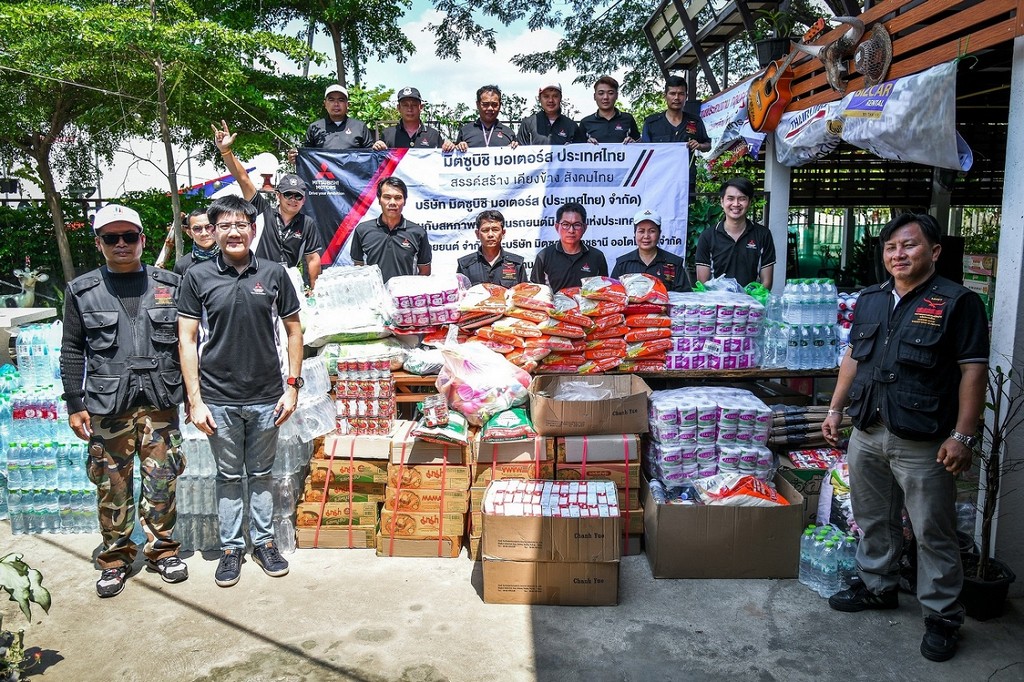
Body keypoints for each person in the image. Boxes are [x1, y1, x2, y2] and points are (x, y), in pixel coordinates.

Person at [822, 213, 989, 663]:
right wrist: (837, 408)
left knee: (932, 528)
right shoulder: (872, 299)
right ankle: (878, 586)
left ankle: (941, 615)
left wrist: (963, 436)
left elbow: (973, 370)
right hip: (869, 428)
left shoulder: (958, 302)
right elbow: (854, 357)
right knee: (872, 516)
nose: (899, 254)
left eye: (909, 245)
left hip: (923, 438)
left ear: (933, 252)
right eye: (892, 247)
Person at [60, 204, 188, 598]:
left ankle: (162, 551)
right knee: (112, 485)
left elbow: (189, 343)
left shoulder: (170, 284)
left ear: (142, 241)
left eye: (129, 237)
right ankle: (115, 559)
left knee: (162, 481)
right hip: (107, 406)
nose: (121, 244)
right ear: (99, 244)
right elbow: (71, 350)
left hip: (159, 402)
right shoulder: (82, 290)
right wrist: (74, 402)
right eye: (111, 238)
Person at [177, 195, 303, 588]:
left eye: (242, 224)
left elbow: (294, 331)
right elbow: (187, 338)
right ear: (212, 232)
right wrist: (195, 401)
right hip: (219, 397)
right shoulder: (197, 277)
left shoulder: (274, 272)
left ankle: (263, 542)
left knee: (263, 473)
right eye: (225, 225)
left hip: (268, 395)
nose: (234, 232)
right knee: (229, 476)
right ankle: (232, 548)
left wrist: (293, 387)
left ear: (253, 229)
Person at [215, 121, 324, 290]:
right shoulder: (262, 211)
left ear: (304, 200)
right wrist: (225, 151)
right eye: (288, 194)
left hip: (288, 282)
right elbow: (243, 179)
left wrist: (315, 290)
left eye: (298, 196)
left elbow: (313, 259)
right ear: (278, 195)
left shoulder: (307, 223)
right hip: (257, 278)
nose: (293, 199)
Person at [694, 177, 775, 289]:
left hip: (751, 303)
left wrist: (750, 300)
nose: (736, 204)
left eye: (742, 199)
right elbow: (703, 284)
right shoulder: (707, 236)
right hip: (718, 303)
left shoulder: (763, 235)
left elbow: (766, 282)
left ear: (750, 202)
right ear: (722, 202)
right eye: (730, 199)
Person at [350, 176, 432, 282]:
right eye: (387, 197)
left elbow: (425, 272)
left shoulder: (418, 233)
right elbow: (358, 269)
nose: (392, 202)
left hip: (404, 297)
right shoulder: (362, 230)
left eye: (398, 198)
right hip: (375, 297)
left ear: (405, 201)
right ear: (379, 200)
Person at [530, 202, 608, 292]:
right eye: (566, 224)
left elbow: (604, 292)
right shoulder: (544, 256)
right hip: (554, 306)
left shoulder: (597, 257)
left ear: (585, 228)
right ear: (557, 227)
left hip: (588, 306)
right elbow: (535, 293)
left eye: (577, 225)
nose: (571, 230)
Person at [611, 208, 691, 292]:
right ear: (635, 234)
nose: (646, 236)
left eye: (652, 231)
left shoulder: (674, 264)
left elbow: (684, 297)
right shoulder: (623, 264)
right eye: (641, 231)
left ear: (659, 233)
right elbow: (613, 295)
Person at [640, 75, 711, 151]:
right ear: (665, 96)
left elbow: (708, 145)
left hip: (687, 163)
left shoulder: (695, 121)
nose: (676, 98)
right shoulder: (651, 123)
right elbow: (643, 149)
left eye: (681, 94)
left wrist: (699, 146)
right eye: (672, 93)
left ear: (686, 96)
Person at [456, 210, 527, 286]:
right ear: (477, 234)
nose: (490, 235)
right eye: (485, 230)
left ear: (503, 233)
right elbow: (460, 294)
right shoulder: (465, 265)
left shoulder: (516, 263)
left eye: (495, 230)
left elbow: (524, 294)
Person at [444, 85, 518, 151]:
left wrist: (515, 149)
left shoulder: (509, 133)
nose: (490, 108)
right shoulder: (465, 131)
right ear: (477, 105)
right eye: (485, 104)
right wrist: (455, 147)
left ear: (500, 105)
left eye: (494, 105)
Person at [372, 87, 445, 149]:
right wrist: (377, 148)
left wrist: (449, 147)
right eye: (405, 105)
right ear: (398, 108)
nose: (410, 109)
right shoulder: (388, 134)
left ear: (421, 107)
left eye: (414, 105)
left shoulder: (433, 135)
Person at [516, 82, 586, 146]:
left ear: (560, 98)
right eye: (546, 96)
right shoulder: (528, 124)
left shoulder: (571, 126)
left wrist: (590, 145)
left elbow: (580, 153)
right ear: (539, 99)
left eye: (555, 96)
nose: (550, 100)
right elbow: (520, 154)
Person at [579, 75, 640, 144]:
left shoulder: (628, 119)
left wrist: (633, 143)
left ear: (616, 95)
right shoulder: (586, 122)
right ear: (594, 96)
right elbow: (577, 150)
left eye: (610, 93)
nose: (605, 97)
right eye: (601, 93)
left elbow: (640, 145)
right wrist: (586, 145)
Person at [174, 207, 218, 275]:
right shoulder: (182, 265)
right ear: (189, 233)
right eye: (197, 229)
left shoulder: (230, 258)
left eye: (208, 227)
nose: (204, 233)